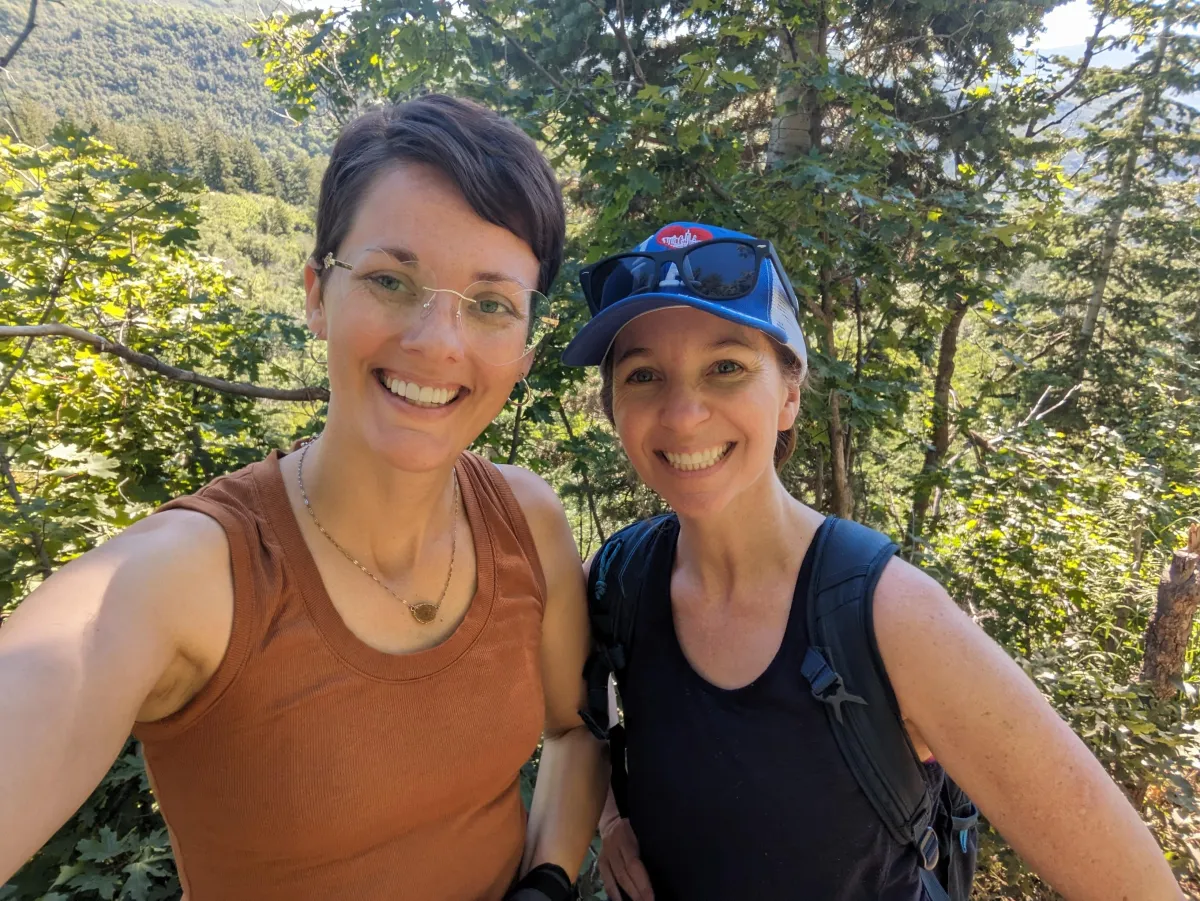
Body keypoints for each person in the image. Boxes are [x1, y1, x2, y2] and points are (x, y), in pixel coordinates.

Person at [0, 95, 606, 901]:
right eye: (391, 280)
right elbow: (61, 658)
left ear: (526, 348)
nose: (438, 341)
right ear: (318, 293)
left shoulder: (525, 522)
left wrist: (548, 881)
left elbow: (573, 730)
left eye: (491, 304)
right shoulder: (193, 579)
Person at [561, 221, 1185, 901]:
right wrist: (612, 819)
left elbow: (1133, 883)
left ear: (789, 393)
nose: (683, 414)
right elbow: (575, 728)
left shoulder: (889, 616)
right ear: (614, 406)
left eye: (727, 367)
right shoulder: (616, 580)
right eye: (644, 375)